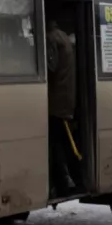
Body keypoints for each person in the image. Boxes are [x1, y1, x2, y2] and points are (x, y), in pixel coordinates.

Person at [46, 20, 77, 195]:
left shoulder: (51, 38)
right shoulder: (64, 37)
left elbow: (51, 67)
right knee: (61, 141)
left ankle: (63, 180)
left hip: (55, 101)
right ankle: (66, 180)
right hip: (65, 99)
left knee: (55, 143)